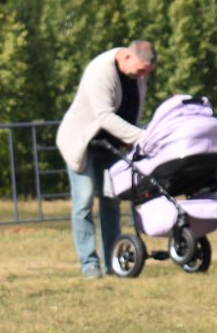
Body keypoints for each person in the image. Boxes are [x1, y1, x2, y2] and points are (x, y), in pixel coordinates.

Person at [56, 41, 156, 278]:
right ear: (128, 57)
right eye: (141, 70)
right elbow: (104, 117)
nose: (142, 77)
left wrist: (133, 141)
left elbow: (134, 109)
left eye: (146, 73)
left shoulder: (136, 76)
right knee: (84, 200)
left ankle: (114, 262)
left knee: (112, 200)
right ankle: (89, 264)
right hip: (83, 143)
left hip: (112, 146)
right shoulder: (100, 70)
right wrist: (143, 136)